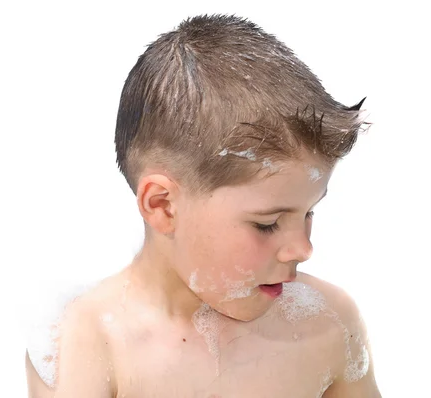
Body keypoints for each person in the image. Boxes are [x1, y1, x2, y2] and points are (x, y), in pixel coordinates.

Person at [26, 13, 381, 397]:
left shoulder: (326, 324)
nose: (304, 249)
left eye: (308, 212)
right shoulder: (90, 343)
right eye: (268, 223)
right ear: (163, 206)